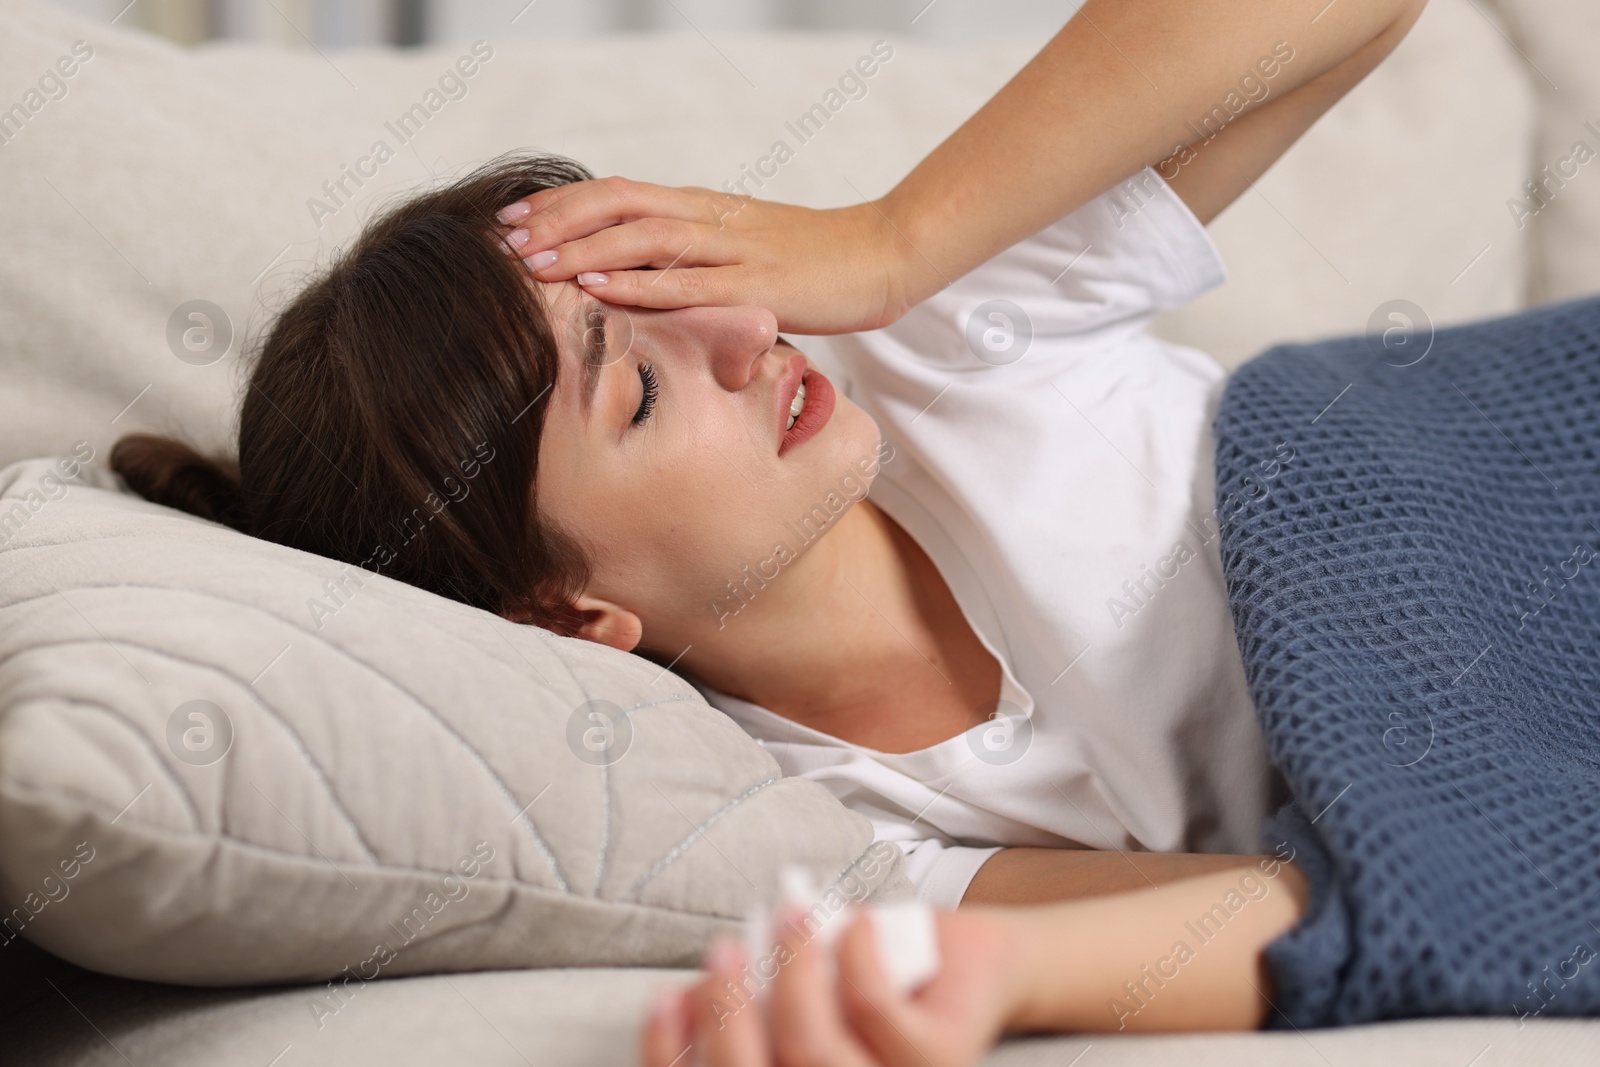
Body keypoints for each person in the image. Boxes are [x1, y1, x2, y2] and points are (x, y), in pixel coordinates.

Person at [105, 0, 1427, 1057]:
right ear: (569, 615)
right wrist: (963, 989)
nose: (749, 336)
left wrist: (896, 240)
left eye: (676, 289)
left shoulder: (935, 336)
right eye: (635, 388)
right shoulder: (834, 822)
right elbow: (1327, 913)